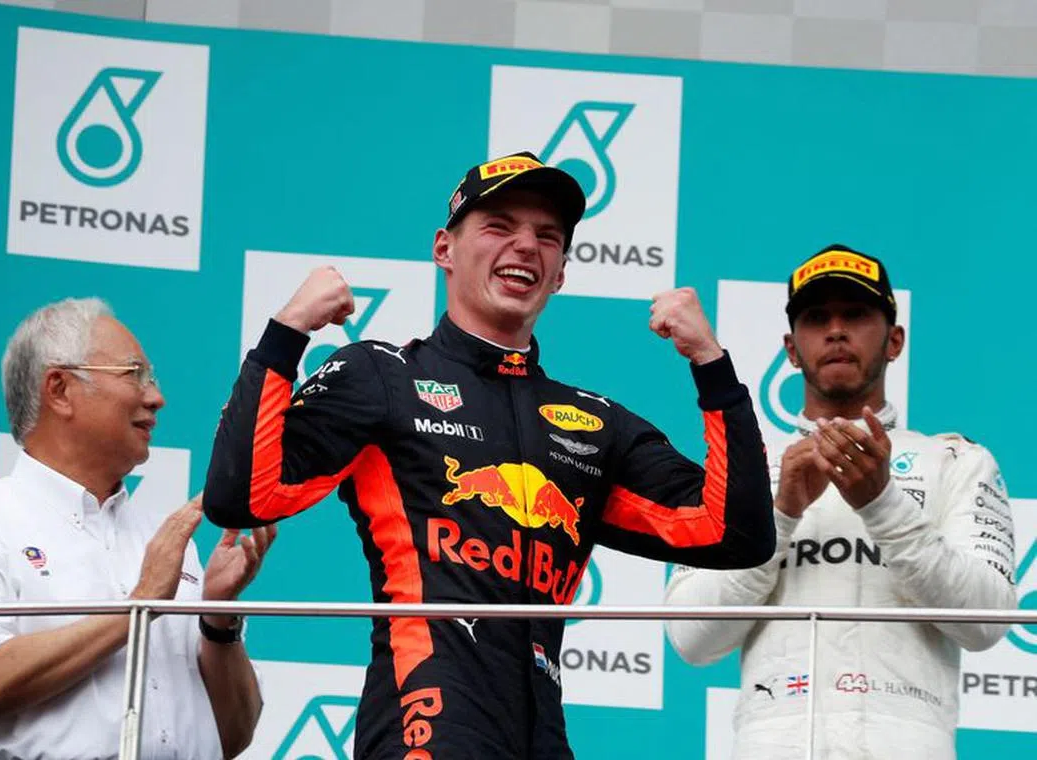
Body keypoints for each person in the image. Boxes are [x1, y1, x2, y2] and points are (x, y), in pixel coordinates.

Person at [203, 150, 775, 759]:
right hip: (424, 720)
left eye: (547, 237)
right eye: (500, 226)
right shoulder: (381, 376)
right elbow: (243, 495)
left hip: (542, 737)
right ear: (444, 249)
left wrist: (712, 366)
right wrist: (287, 331)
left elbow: (734, 533)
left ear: (559, 274)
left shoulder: (600, 425)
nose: (527, 245)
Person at [664, 245, 1018, 759]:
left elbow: (988, 621)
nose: (835, 330)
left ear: (895, 341)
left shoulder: (956, 462)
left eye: (855, 314)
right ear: (790, 347)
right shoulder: (740, 469)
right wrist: (780, 516)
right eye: (816, 318)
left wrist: (884, 505)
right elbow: (691, 640)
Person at [0, 298, 274, 760]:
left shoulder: (159, 538)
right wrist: (138, 606)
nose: (155, 397)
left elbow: (233, 736)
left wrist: (218, 618)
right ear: (59, 389)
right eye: (134, 374)